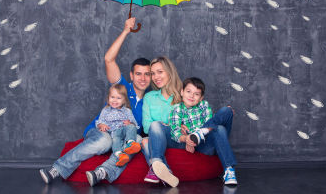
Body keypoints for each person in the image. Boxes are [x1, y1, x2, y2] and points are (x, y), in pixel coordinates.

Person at [39, 18, 151, 185]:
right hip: (101, 130)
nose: (143, 78)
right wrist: (125, 31)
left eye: (147, 74)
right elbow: (108, 59)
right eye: (139, 74)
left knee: (134, 139)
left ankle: (102, 171)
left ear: (151, 77)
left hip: (121, 138)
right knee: (106, 140)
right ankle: (57, 169)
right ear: (131, 75)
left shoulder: (151, 100)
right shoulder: (122, 87)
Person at [168, 77, 238, 185]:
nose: (191, 96)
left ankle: (200, 133)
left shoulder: (204, 105)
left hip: (214, 138)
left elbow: (211, 124)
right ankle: (229, 169)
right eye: (188, 91)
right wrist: (188, 139)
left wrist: (198, 133)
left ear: (201, 97)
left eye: (196, 94)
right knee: (219, 128)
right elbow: (175, 132)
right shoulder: (177, 109)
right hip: (203, 146)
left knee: (227, 110)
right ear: (182, 92)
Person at [140, 56, 184, 187]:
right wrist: (160, 126)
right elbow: (146, 125)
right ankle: (166, 171)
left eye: (160, 72)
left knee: (150, 136)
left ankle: (155, 168)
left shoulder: (183, 94)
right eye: (152, 73)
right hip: (157, 138)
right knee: (147, 140)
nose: (155, 77)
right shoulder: (149, 97)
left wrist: (165, 126)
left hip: (176, 140)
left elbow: (192, 120)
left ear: (169, 72)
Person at [94, 84, 141, 167]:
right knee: (116, 140)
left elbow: (135, 123)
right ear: (108, 98)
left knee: (131, 127)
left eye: (118, 98)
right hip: (113, 132)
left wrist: (130, 123)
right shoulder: (105, 111)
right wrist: (101, 125)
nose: (115, 100)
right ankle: (119, 155)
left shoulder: (127, 111)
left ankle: (130, 143)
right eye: (112, 97)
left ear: (123, 101)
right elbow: (99, 121)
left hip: (125, 131)